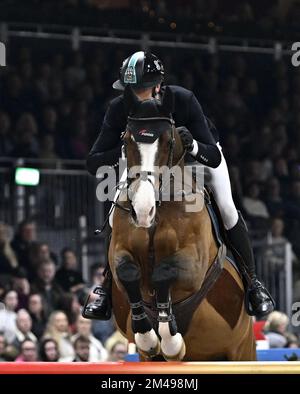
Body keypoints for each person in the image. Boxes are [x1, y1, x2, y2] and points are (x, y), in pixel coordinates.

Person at [84, 51, 274, 320]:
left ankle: (253, 282)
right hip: (145, 165)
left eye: (140, 89)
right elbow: (93, 161)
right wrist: (123, 150)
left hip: (194, 158)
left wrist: (192, 145)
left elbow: (213, 154)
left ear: (159, 86)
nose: (134, 96)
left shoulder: (183, 100)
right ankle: (105, 287)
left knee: (227, 207)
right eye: (130, 90)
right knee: (116, 212)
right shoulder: (119, 108)